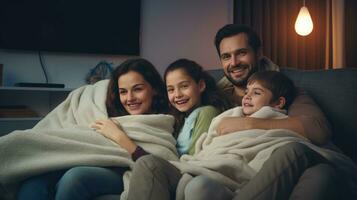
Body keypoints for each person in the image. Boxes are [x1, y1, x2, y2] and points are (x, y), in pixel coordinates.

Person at [127, 24, 341, 200]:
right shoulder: (212, 93)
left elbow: (318, 129)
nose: (234, 63)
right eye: (226, 56)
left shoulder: (285, 90)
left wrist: (248, 123)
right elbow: (170, 106)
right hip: (214, 171)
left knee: (320, 173)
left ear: (259, 53)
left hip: (259, 173)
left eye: (241, 53)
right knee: (149, 165)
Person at [17, 58, 170, 200]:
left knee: (75, 178)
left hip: (122, 172)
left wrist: (120, 138)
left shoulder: (162, 122)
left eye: (137, 89)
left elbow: (158, 167)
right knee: (34, 182)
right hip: (87, 160)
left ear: (154, 89)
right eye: (123, 91)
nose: (129, 98)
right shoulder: (107, 110)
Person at [164, 58, 229, 156]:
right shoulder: (178, 118)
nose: (177, 94)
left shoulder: (207, 112)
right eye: (171, 89)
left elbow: (197, 153)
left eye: (184, 86)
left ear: (201, 86)